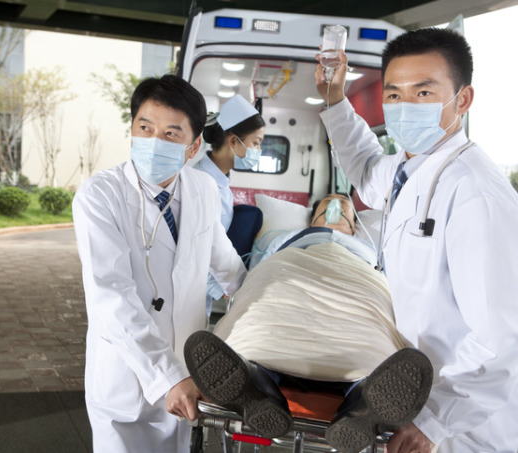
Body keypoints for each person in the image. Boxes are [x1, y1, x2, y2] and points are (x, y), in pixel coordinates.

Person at [315, 27, 518, 452]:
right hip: (412, 397)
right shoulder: (408, 169)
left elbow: (502, 338)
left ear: (462, 100)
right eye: (394, 95)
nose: (405, 107)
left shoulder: (476, 194)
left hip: (465, 425)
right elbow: (366, 169)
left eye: (423, 93)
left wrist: (436, 422)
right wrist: (335, 100)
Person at [72, 74, 247, 453]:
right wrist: (165, 376)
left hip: (184, 372)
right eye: (145, 128)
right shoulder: (100, 195)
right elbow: (111, 294)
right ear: (132, 129)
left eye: (170, 134)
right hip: (127, 374)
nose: (153, 142)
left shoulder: (200, 190)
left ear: (194, 145)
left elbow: (227, 264)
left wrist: (257, 307)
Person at [184, 193, 434, 453]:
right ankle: (259, 382)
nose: (336, 207)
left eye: (344, 208)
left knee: (371, 332)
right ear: (313, 215)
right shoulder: (281, 238)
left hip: (358, 278)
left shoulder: (373, 247)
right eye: (327, 204)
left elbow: (390, 281)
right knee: (263, 314)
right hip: (288, 269)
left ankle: (359, 400)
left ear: (354, 222)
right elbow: (262, 267)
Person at [192, 94, 266, 312]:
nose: (257, 151)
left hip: (199, 291)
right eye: (256, 143)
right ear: (233, 141)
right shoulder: (201, 183)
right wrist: (223, 287)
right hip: (188, 290)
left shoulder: (220, 181)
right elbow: (195, 247)